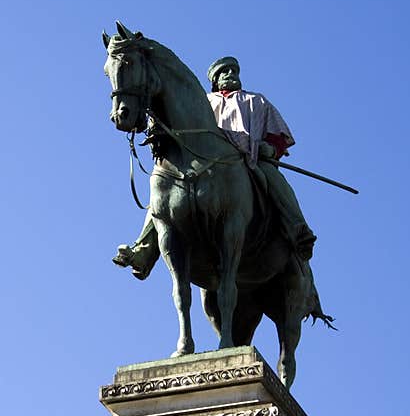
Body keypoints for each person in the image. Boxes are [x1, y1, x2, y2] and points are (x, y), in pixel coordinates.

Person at [113, 56, 316, 279]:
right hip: (202, 162)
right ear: (215, 80)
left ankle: (298, 230)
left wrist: (271, 148)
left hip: (249, 158)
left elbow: (278, 134)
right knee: (161, 197)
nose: (230, 74)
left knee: (275, 180)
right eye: (224, 72)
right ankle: (143, 250)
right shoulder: (203, 101)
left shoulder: (256, 101)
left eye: (233, 71)